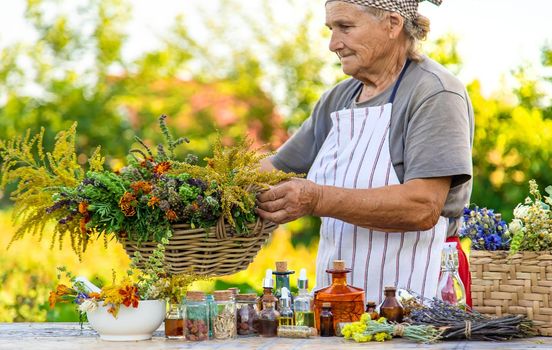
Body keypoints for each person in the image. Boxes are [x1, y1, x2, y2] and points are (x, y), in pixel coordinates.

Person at [256, 0, 474, 306]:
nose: (333, 44)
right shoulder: (338, 99)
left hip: (420, 300)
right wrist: (200, 188)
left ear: (392, 24)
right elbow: (274, 170)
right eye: (331, 30)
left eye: (345, 27)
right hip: (339, 301)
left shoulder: (434, 92)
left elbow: (422, 207)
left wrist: (317, 199)